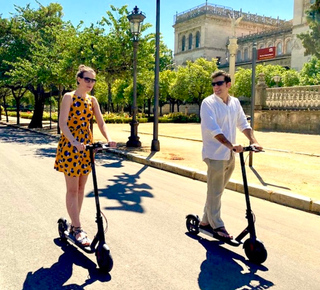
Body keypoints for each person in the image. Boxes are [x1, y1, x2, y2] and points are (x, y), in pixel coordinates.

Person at [54, 65, 116, 246]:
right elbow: (63, 124)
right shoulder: (69, 97)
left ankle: (74, 225)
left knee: (81, 189)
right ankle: (78, 228)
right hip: (71, 147)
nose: (90, 83)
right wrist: (74, 142)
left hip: (87, 148)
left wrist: (109, 139)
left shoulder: (92, 100)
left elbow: (101, 123)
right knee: (72, 190)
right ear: (79, 79)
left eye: (93, 80)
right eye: (87, 79)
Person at [200, 70, 262, 240]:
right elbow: (214, 130)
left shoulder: (234, 102)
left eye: (219, 83)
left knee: (217, 190)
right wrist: (231, 145)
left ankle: (205, 221)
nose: (216, 87)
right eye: (213, 84)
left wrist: (253, 141)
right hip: (214, 155)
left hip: (230, 155)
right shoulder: (208, 103)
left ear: (228, 84)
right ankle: (217, 225)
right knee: (215, 191)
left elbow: (243, 123)